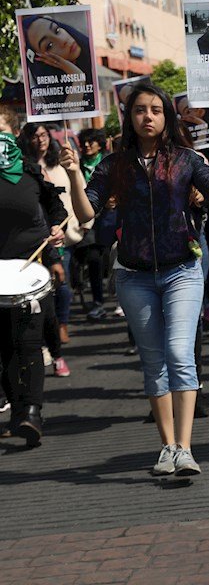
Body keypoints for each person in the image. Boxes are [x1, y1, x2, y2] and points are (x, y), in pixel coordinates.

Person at [62, 81, 209, 476]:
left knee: (179, 352)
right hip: (133, 275)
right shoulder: (115, 164)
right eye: (140, 110)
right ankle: (167, 446)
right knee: (154, 361)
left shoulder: (187, 159)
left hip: (182, 270)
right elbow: (86, 212)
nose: (148, 117)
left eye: (156, 110)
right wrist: (74, 173)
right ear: (130, 117)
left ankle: (186, 448)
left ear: (166, 117)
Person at [0, 107, 66, 446]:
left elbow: (55, 209)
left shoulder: (28, 173)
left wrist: (56, 236)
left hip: (30, 271)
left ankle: (32, 414)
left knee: (28, 344)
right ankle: (16, 414)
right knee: (4, 349)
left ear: (13, 134)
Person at [17, 123, 87, 376]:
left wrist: (81, 221)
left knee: (59, 288)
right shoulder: (19, 167)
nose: (40, 140)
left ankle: (59, 336)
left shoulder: (57, 164)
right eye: (34, 136)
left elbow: (66, 200)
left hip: (56, 240)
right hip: (25, 247)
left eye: (44, 135)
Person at [75, 128, 110, 321]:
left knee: (112, 260)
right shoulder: (76, 165)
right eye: (84, 142)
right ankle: (97, 302)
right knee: (93, 259)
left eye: (91, 141)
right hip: (87, 221)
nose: (87, 145)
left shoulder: (109, 161)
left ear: (100, 143)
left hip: (110, 217)